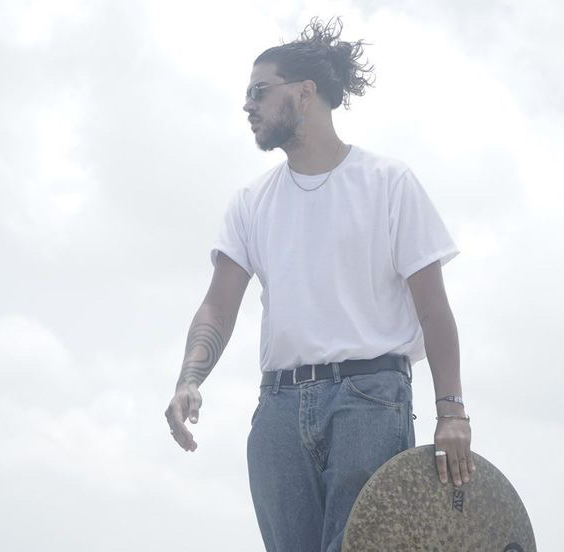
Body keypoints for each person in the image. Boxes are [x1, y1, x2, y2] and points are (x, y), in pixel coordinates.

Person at [164, 16, 474, 552]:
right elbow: (218, 307)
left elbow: (433, 309)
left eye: (259, 91)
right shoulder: (251, 202)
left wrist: (452, 411)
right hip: (278, 409)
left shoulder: (388, 182)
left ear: (305, 93)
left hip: (369, 401)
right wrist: (189, 378)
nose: (247, 106)